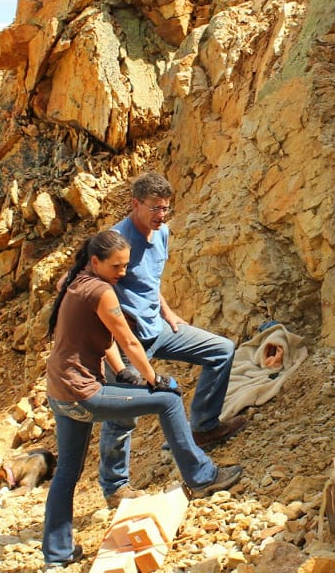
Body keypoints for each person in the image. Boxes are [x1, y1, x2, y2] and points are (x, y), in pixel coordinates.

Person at [42, 230, 243, 567]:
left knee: (66, 473)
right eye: (117, 266)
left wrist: (121, 372)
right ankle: (203, 478)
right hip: (82, 393)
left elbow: (102, 339)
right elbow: (129, 341)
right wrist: (154, 379)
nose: (123, 273)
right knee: (168, 399)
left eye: (126, 265)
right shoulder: (102, 291)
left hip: (59, 391)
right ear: (96, 262)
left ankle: (57, 555)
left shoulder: (76, 281)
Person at [96, 173, 247, 499]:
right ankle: (115, 488)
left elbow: (149, 281)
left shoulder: (161, 232)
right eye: (154, 208)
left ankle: (204, 426)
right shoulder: (114, 241)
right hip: (124, 341)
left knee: (221, 350)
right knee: (122, 415)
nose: (161, 215)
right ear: (135, 204)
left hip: (159, 329)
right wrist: (112, 341)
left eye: (165, 208)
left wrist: (166, 312)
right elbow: (91, 291)